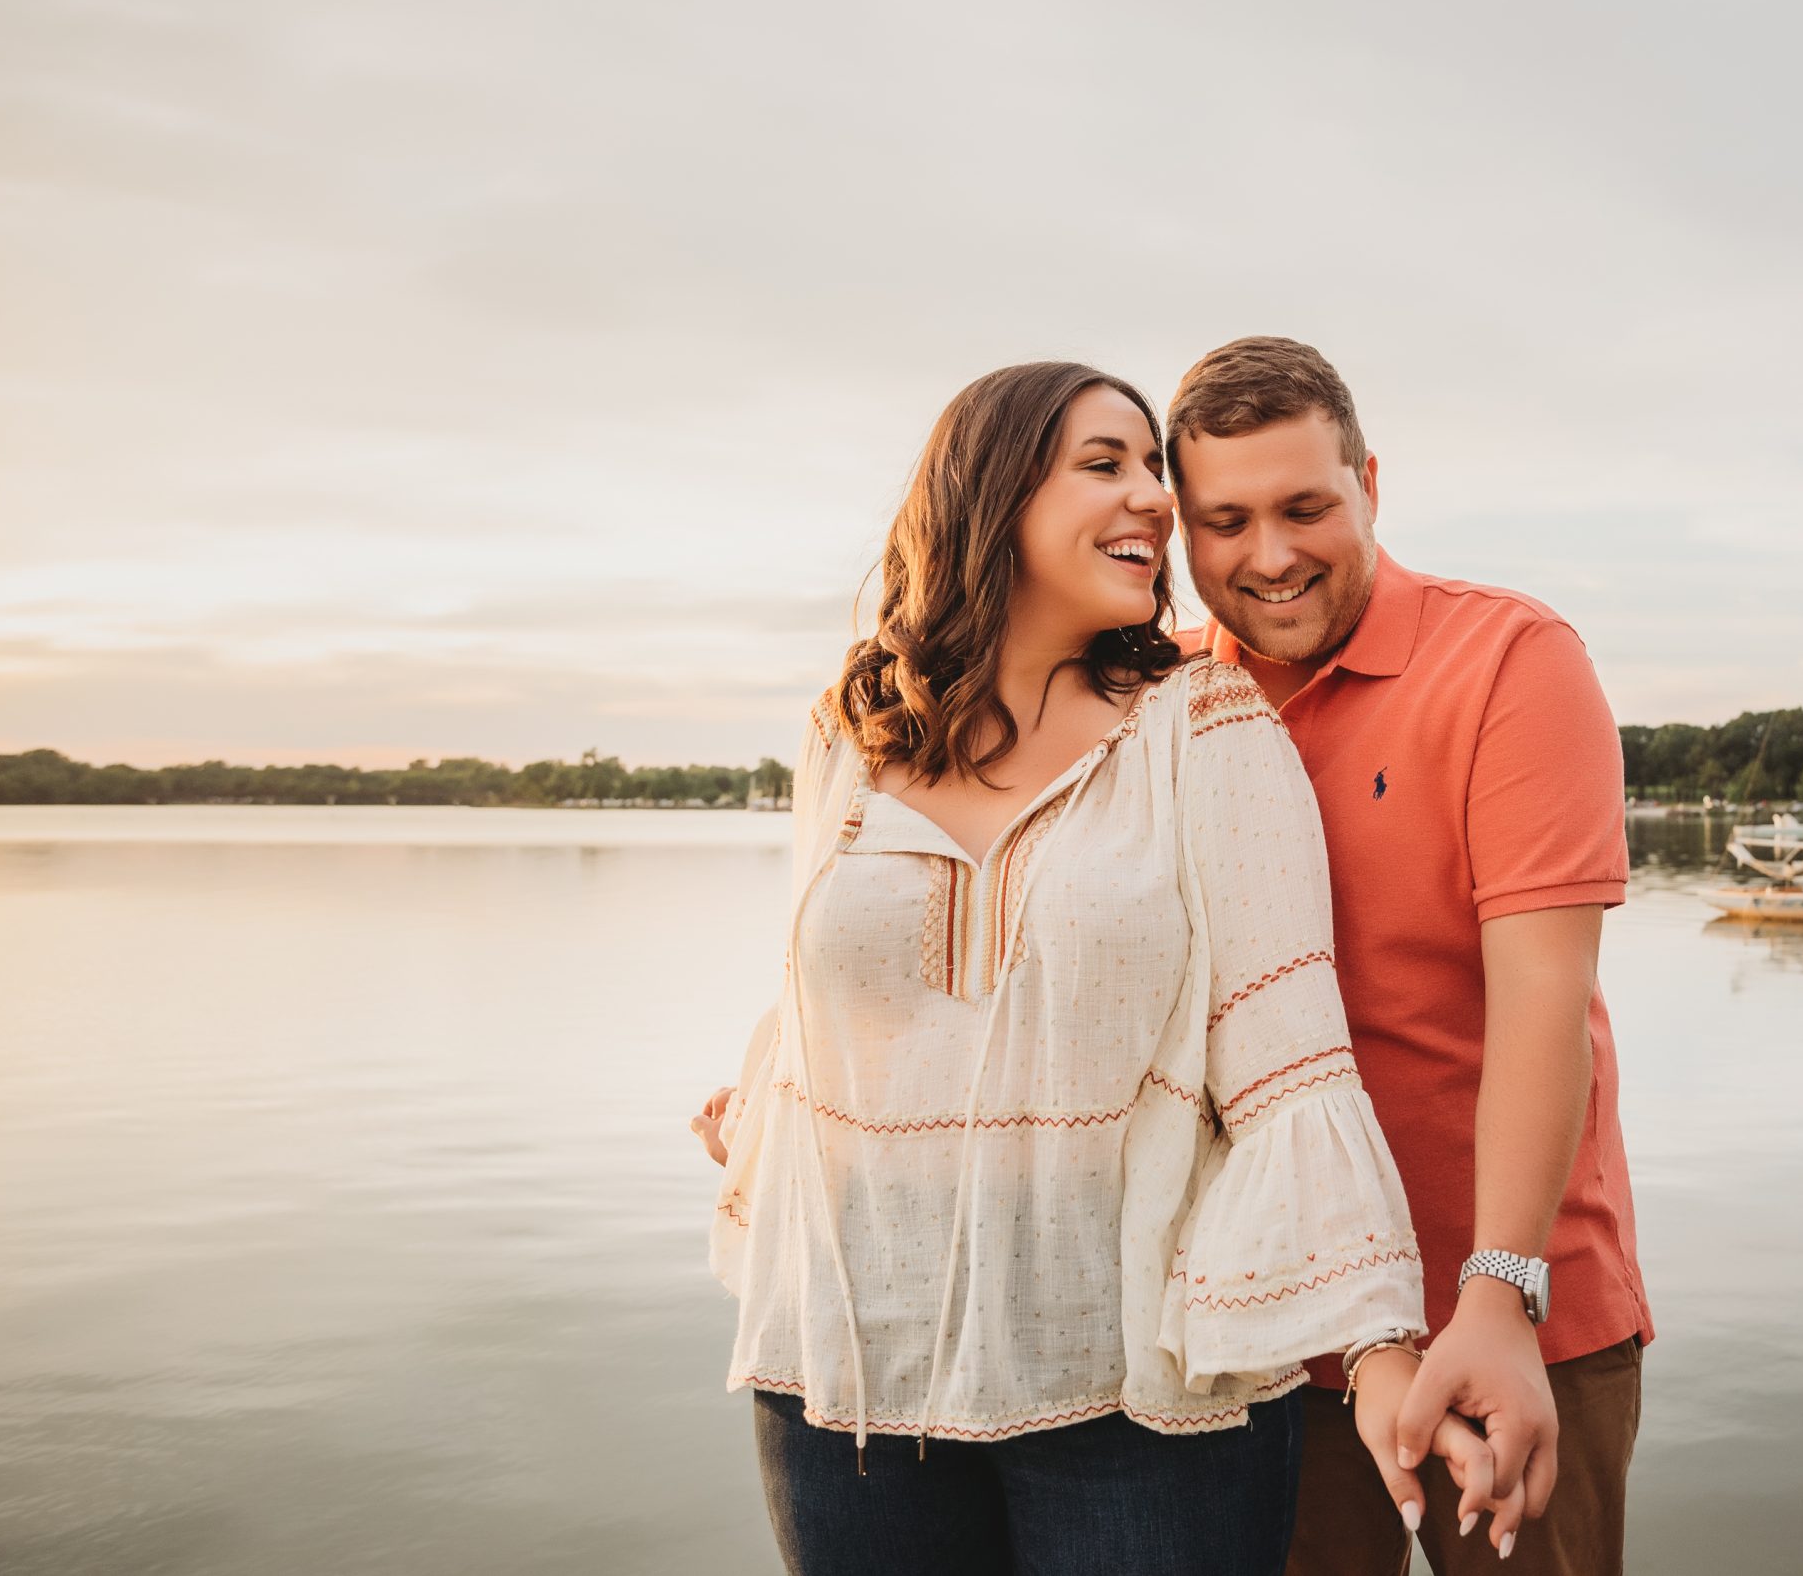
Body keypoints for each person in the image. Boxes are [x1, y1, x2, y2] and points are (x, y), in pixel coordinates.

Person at [688, 361, 1495, 1576]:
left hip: (1136, 1388)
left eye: (1152, 473)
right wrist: (764, 1104)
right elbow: (830, 992)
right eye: (1104, 464)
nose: (1154, 502)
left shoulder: (1206, 726)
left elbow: (1286, 1053)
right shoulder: (844, 732)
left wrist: (1379, 1350)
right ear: (991, 491)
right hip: (845, 1361)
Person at [1166, 337, 1652, 1575]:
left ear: (1369, 481)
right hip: (1268, 1322)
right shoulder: (1160, 693)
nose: (1268, 554)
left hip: (1508, 1305)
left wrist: (1498, 1290)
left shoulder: (1508, 661)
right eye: (1224, 519)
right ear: (1178, 524)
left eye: (1304, 506)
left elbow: (1542, 997)